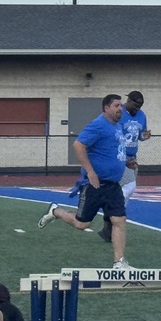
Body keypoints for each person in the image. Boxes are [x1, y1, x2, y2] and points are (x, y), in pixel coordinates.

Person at [38, 93, 132, 270]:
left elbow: (112, 151)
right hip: (94, 185)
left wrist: (127, 162)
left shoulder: (118, 126)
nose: (121, 109)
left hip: (113, 185)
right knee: (82, 224)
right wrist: (90, 172)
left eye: (121, 106)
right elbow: (78, 145)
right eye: (117, 106)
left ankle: (119, 262)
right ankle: (56, 211)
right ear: (106, 108)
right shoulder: (98, 125)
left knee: (119, 221)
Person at [100, 90, 151, 243]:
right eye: (135, 105)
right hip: (118, 157)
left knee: (125, 195)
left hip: (132, 157)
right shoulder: (119, 111)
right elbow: (110, 131)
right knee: (129, 187)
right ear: (128, 101)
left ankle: (109, 228)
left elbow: (140, 136)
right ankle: (110, 212)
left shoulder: (142, 115)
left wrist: (144, 136)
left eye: (140, 106)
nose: (137, 108)